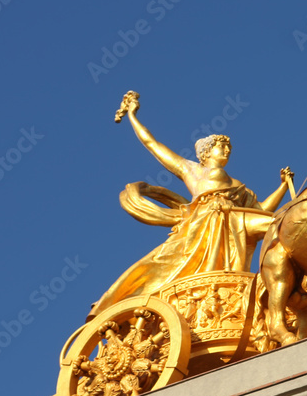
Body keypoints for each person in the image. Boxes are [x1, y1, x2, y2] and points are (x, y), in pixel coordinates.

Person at [87, 93, 292, 319]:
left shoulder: (239, 187)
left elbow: (261, 210)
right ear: (206, 152)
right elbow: (152, 144)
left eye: (228, 148)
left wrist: (282, 187)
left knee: (281, 224)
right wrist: (133, 116)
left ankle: (286, 279)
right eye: (222, 147)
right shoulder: (192, 170)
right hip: (208, 220)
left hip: (235, 219)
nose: (227, 151)